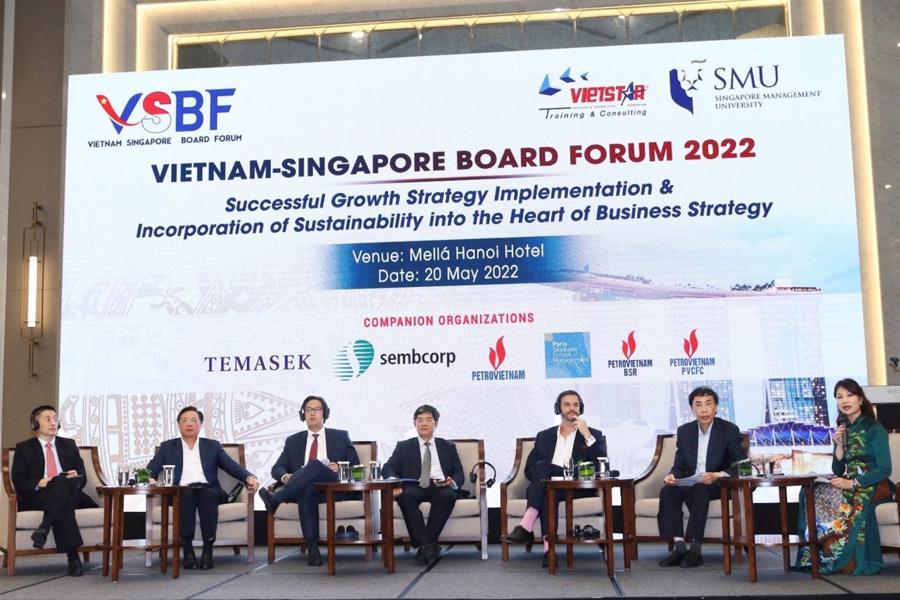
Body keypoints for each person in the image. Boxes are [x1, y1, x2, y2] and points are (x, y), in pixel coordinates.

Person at [795, 378, 894, 575]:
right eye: (839, 397)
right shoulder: (844, 428)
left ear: (861, 399)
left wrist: (852, 483)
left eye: (850, 395)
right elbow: (838, 469)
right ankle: (816, 555)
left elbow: (885, 469)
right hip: (850, 480)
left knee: (850, 499)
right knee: (810, 492)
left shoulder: (874, 428)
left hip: (875, 483)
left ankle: (845, 559)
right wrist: (839, 446)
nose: (845, 400)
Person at [501, 390, 607, 568]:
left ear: (581, 409)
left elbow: (601, 465)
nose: (572, 408)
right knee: (545, 486)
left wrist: (587, 435)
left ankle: (526, 526)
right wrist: (543, 477)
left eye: (576, 405)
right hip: (549, 487)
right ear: (558, 409)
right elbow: (529, 469)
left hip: (576, 487)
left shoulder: (593, 434)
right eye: (567, 404)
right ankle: (549, 551)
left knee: (544, 468)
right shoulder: (544, 436)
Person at [147, 406, 258, 570]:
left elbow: (231, 466)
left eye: (194, 420)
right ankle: (188, 549)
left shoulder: (212, 446)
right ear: (179, 425)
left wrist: (249, 477)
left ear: (200, 425)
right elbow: (150, 470)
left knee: (208, 495)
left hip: (209, 489)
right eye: (185, 421)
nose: (189, 424)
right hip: (182, 490)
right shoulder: (167, 447)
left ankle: (208, 549)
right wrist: (149, 478)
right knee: (185, 495)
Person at [258, 395, 359, 567]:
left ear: (325, 413)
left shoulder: (340, 436)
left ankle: (277, 498)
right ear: (302, 414)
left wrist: (340, 468)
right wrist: (287, 477)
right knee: (306, 489)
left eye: (317, 409)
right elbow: (277, 468)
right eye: (308, 410)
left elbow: (356, 467)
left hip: (331, 489)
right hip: (303, 490)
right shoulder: (293, 441)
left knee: (315, 465)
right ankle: (313, 550)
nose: (312, 413)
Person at [657, 386, 745, 568]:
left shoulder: (729, 430)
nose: (703, 410)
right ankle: (680, 547)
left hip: (717, 484)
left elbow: (741, 464)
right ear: (692, 409)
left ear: (716, 407)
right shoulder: (685, 431)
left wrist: (717, 475)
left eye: (708, 404)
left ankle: (695, 550)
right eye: (698, 405)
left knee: (699, 489)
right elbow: (680, 465)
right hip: (690, 480)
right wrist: (672, 476)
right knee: (668, 491)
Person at [11, 405, 98, 576]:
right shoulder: (24, 448)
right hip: (39, 496)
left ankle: (45, 526)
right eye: (48, 419)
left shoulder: (69, 445)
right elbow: (19, 481)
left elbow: (83, 476)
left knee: (61, 484)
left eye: (55, 419)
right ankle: (72, 556)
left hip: (70, 493)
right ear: (35, 425)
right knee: (61, 491)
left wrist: (75, 476)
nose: (53, 423)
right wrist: (41, 482)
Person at [382, 404, 465, 566]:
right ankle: (429, 546)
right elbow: (388, 468)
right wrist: (394, 482)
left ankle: (424, 546)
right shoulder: (404, 446)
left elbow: (459, 473)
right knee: (405, 496)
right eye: (419, 420)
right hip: (415, 485)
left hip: (440, 485)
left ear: (436, 423)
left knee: (448, 495)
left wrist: (452, 482)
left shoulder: (448, 446)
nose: (424, 423)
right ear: (415, 424)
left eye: (428, 420)